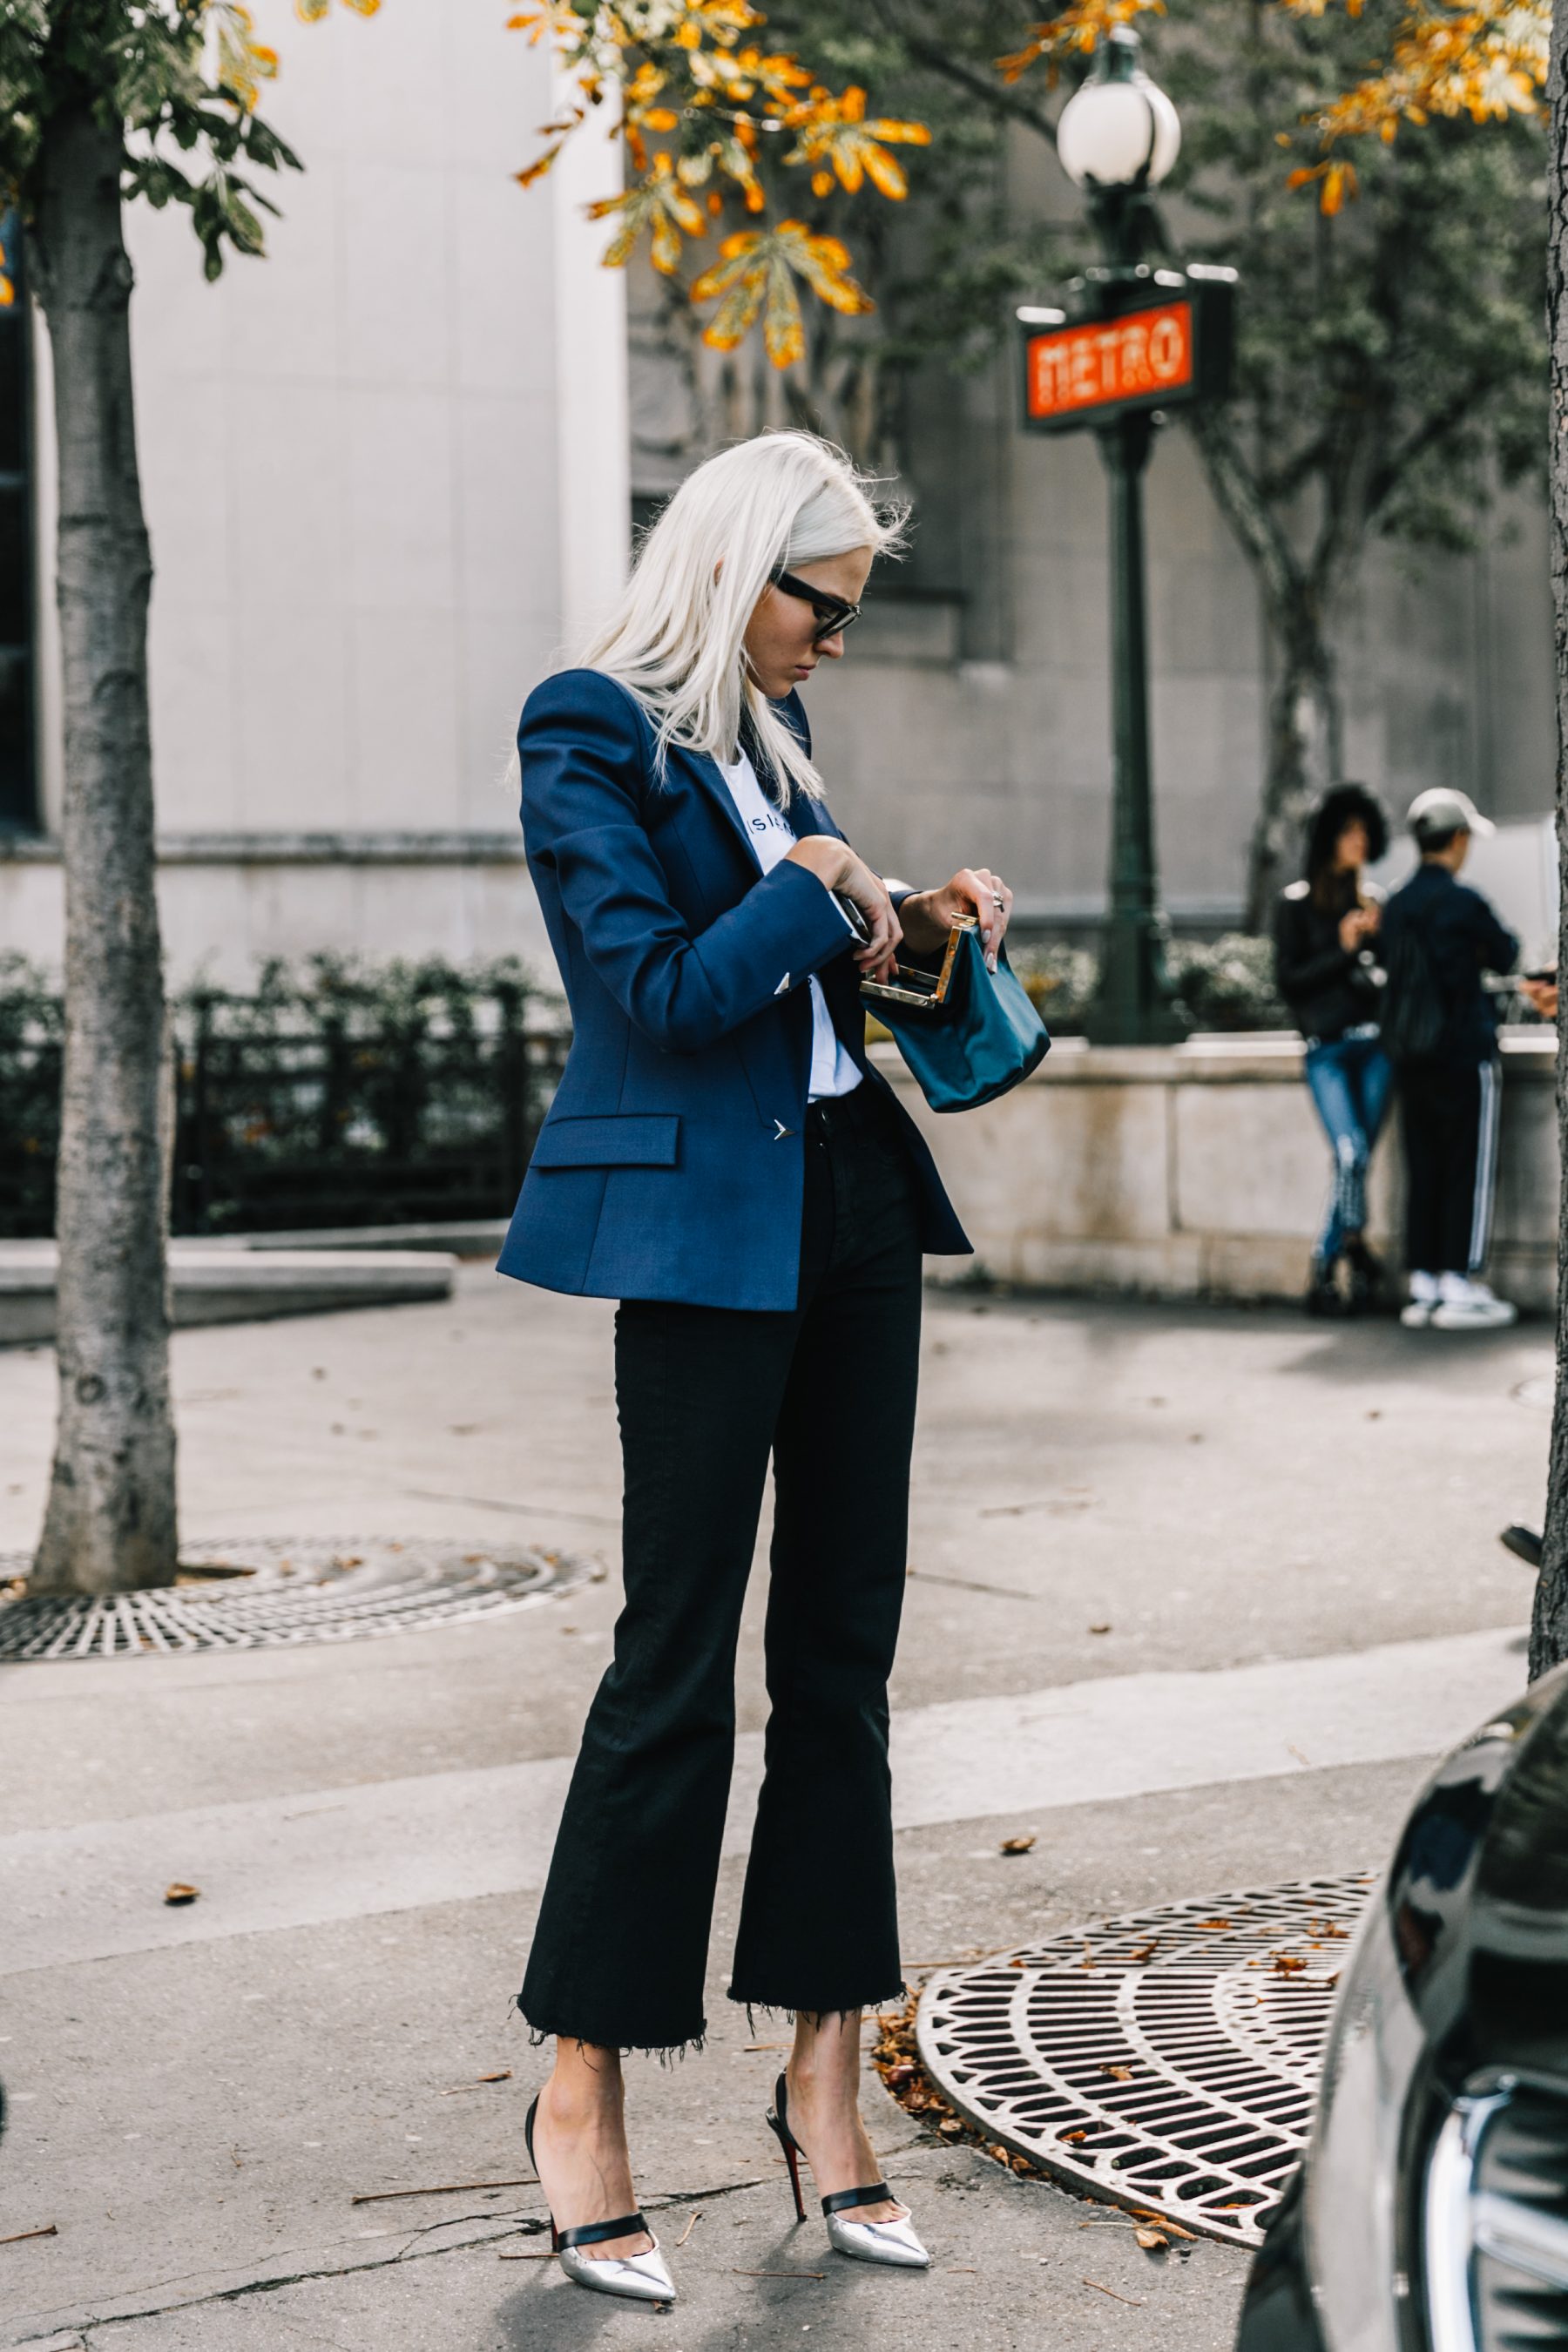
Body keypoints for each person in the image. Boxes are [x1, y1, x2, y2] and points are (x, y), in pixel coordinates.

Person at [497, 430, 1010, 2305]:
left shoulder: (775, 748)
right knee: (672, 1668)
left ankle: (824, 2075)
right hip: (701, 1250)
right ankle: (579, 2089)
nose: (844, 642)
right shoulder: (592, 729)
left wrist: (923, 928)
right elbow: (654, 992)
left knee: (846, 1666)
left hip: (857, 1221)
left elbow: (803, 988)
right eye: (830, 604)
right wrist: (808, 884)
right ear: (741, 570)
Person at [1378, 787, 1519, 1330]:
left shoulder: (1395, 906)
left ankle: (1426, 1281)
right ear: (1458, 839)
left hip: (1410, 1056)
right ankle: (1460, 1280)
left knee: (1424, 1164)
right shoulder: (1465, 902)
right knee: (1466, 1166)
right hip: (1463, 1051)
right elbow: (1506, 951)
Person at [1272, 784, 1393, 1315]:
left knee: (1355, 1161)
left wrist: (1376, 947)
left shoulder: (1374, 904)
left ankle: (1339, 1265)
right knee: (1351, 1152)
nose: (1359, 841)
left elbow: (1389, 984)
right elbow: (1291, 982)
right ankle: (1341, 1254)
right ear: (1328, 839)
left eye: (1365, 832)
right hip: (1327, 1050)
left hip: (1376, 1050)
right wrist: (1344, 952)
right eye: (1349, 831)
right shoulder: (1295, 906)